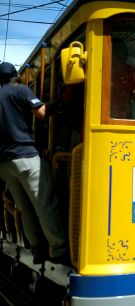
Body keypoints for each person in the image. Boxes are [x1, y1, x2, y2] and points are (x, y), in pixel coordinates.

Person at [0, 62, 68, 265]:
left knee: (25, 208)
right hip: (26, 158)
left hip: (4, 164)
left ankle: (37, 249)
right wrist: (61, 100)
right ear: (15, 77)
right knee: (44, 205)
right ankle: (58, 250)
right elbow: (42, 113)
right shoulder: (19, 89)